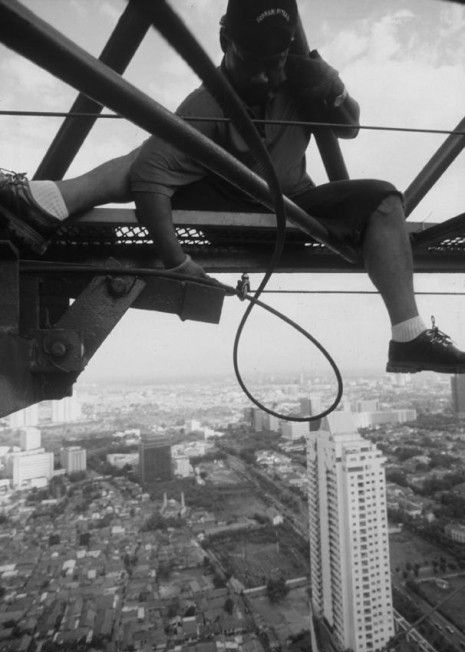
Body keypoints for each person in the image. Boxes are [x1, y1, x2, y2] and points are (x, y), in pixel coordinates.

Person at [1, 0, 464, 374]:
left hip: (296, 204)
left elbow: (349, 128)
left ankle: (409, 338)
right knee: (153, 154)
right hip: (224, 204)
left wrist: (333, 89)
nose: (266, 77)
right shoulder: (205, 104)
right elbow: (149, 179)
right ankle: (45, 203)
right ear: (225, 42)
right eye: (252, 63)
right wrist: (177, 261)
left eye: (277, 62)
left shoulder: (301, 79)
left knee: (385, 199)